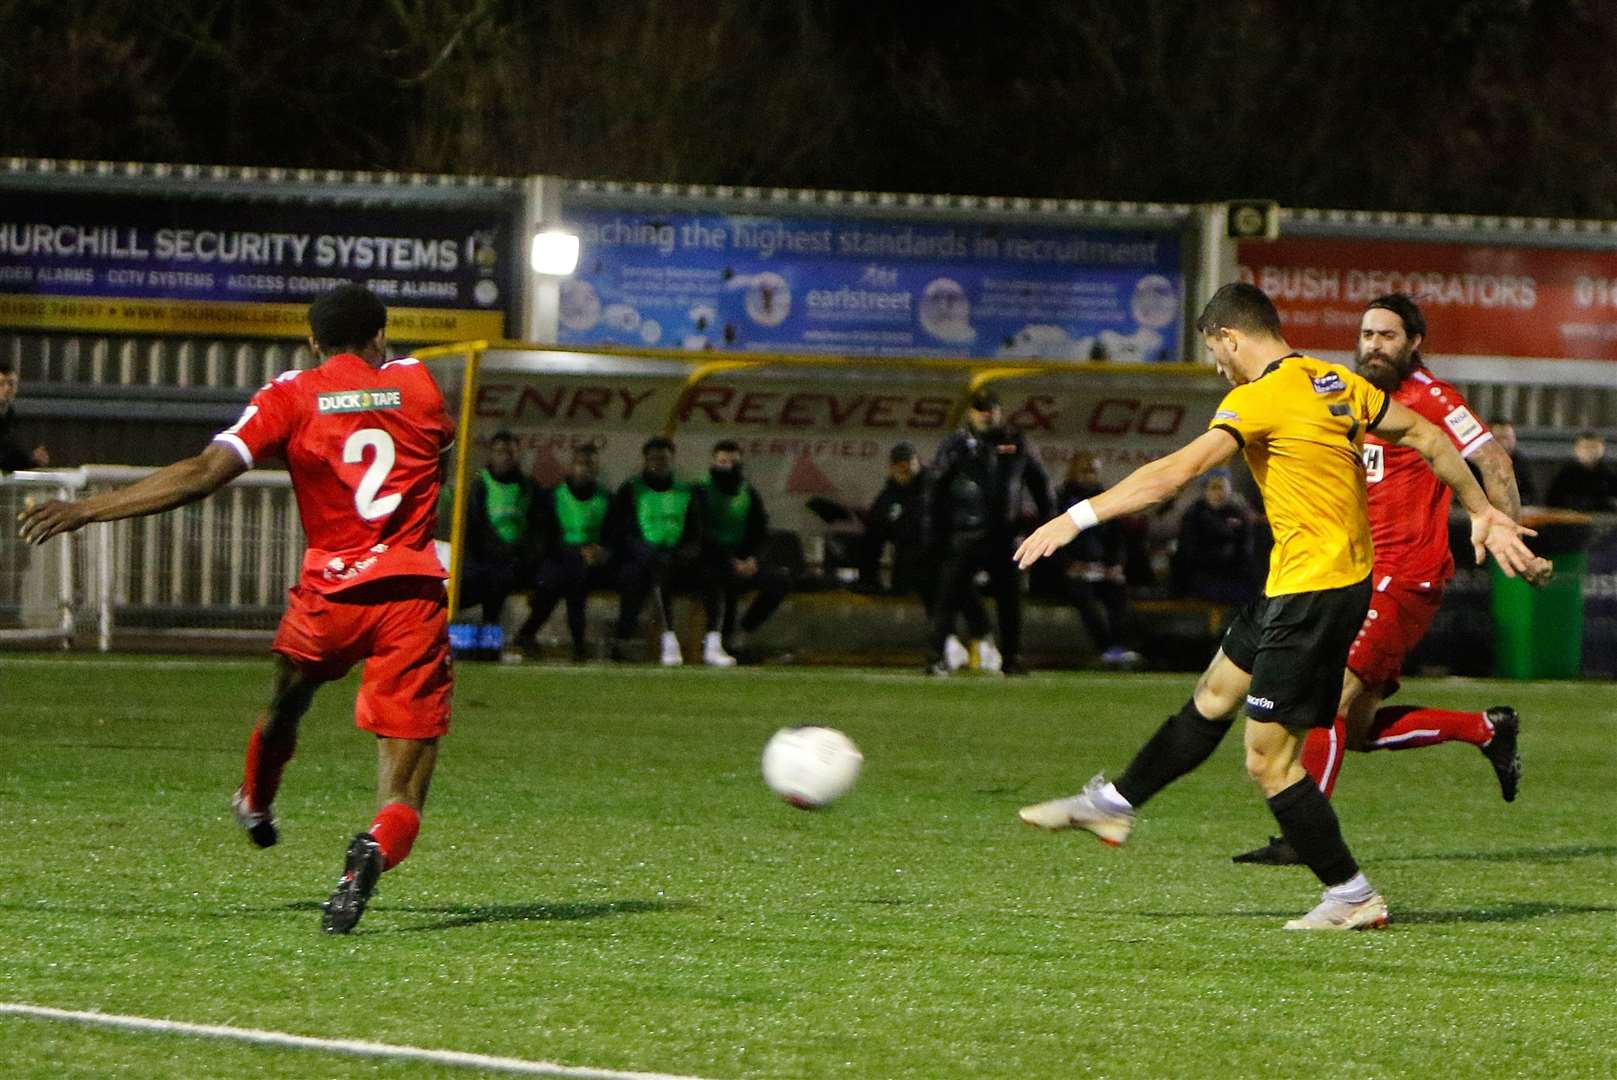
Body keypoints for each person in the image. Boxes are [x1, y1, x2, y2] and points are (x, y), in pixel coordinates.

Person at [1014, 282, 1538, 930]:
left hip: (1312, 594)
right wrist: (1481, 511)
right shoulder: (1333, 382)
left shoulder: (1258, 397)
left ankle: (1351, 895)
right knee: (1212, 695)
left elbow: (1172, 474)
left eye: (1215, 352)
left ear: (1230, 338)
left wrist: (1074, 518)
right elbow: (1430, 439)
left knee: (1267, 760)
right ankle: (1114, 802)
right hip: (1298, 583)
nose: (1217, 367)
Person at [19, 284, 455, 935]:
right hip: (409, 596)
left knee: (288, 701)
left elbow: (202, 472)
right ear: (381, 337)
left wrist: (85, 509)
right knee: (404, 787)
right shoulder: (418, 386)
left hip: (329, 597)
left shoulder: (291, 395)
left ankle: (255, 799)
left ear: (312, 341)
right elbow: (424, 439)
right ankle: (369, 849)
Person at [1232, 293, 1551, 865]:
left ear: (1414, 343)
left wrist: (1511, 538)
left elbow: (1495, 464)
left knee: (1328, 699)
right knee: (1354, 729)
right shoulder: (1353, 396)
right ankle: (1486, 729)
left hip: (1405, 577)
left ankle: (1303, 839)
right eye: (1366, 335)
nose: (1373, 346)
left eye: (1386, 336)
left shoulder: (1434, 399)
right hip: (1356, 574)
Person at [924, 386, 1053, 676]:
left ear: (999, 411)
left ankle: (1012, 656)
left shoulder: (1017, 442)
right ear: (971, 412)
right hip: (965, 533)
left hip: (1005, 535)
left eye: (990, 408)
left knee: (1011, 600)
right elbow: (934, 489)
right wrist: (933, 531)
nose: (986, 414)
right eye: (980, 409)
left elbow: (1040, 485)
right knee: (947, 597)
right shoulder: (956, 444)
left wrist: (1048, 523)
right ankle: (936, 656)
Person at [858, 441, 981, 670]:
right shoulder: (888, 499)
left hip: (948, 556)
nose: (905, 468)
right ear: (892, 467)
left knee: (958, 588)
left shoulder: (936, 486)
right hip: (914, 565)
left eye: (909, 462)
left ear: (917, 461)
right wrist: (868, 577)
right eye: (899, 464)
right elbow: (873, 540)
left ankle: (980, 642)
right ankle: (950, 644)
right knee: (930, 581)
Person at [608, 435, 703, 665]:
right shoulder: (631, 490)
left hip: (676, 560)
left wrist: (681, 554)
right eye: (653, 459)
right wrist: (645, 553)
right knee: (636, 579)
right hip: (640, 559)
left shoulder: (687, 491)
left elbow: (695, 533)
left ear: (672, 460)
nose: (658, 463)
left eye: (663, 458)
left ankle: (708, 643)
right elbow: (621, 531)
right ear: (645, 461)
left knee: (705, 578)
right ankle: (624, 641)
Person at [695, 440, 789, 666]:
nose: (727, 467)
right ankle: (714, 641)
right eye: (722, 462)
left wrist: (752, 559)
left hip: (741, 561)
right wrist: (730, 560)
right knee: (719, 576)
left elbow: (760, 531)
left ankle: (740, 633)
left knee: (780, 580)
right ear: (714, 462)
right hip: (709, 560)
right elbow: (699, 531)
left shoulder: (748, 492)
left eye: (732, 462)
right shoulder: (701, 489)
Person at [516, 444, 611, 662]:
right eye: (580, 464)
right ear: (570, 467)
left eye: (590, 465)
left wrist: (602, 552)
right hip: (558, 560)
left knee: (568, 577)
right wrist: (577, 552)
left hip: (595, 566)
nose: (585, 470)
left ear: (597, 469)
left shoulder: (607, 498)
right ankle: (578, 644)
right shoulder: (553, 496)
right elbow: (542, 536)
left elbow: (613, 535)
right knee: (569, 575)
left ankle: (527, 633)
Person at [1046, 451, 1138, 666]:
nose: (1090, 476)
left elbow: (1117, 539)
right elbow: (1050, 538)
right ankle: (1105, 647)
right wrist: (1069, 565)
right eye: (1085, 471)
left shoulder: (1105, 500)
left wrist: (1114, 565)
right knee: (1085, 597)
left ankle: (1122, 647)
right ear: (1074, 472)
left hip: (1100, 569)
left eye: (1094, 471)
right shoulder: (1059, 499)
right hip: (1068, 572)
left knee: (1118, 592)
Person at [459, 430, 539, 660]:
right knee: (486, 582)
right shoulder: (479, 484)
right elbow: (475, 525)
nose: (505, 457)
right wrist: (498, 549)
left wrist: (520, 551)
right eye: (500, 452)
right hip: (483, 559)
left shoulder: (528, 487)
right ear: (491, 454)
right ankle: (481, 644)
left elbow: (535, 526)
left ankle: (501, 643)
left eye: (510, 452)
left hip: (516, 561)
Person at [1171, 470, 1258, 605]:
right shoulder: (1194, 514)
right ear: (1205, 490)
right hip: (1203, 575)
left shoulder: (1238, 513)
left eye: (1222, 488)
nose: (1218, 493)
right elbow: (1188, 551)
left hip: (1234, 575)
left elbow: (1246, 548)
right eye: (1214, 488)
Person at [1546, 430, 1617, 512]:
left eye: (1594, 447)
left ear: (1602, 449)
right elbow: (1552, 502)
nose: (1590, 451)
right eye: (1585, 447)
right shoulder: (1565, 475)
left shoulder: (1609, 475)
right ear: (1577, 450)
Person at [0, 359, 49, 473]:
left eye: (11, 384)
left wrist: (33, 460)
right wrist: (30, 458)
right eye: (1, 384)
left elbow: (11, 452)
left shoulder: (10, 415)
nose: (7, 389)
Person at [1488, 417, 1537, 506]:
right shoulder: (1475, 464)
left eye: (1508, 438)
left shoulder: (1521, 462)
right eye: (1500, 438)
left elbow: (1530, 495)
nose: (1505, 443)